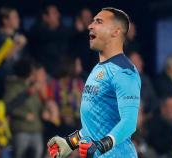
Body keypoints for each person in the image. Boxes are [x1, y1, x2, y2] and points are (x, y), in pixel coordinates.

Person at [47, 7, 141, 158]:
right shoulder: (97, 69)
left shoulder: (125, 71)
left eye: (99, 22)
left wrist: (101, 145)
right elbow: (94, 126)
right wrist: (70, 143)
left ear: (116, 32)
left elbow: (129, 123)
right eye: (92, 21)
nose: (90, 26)